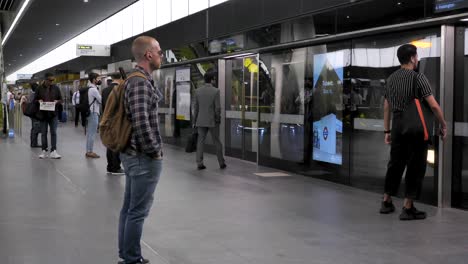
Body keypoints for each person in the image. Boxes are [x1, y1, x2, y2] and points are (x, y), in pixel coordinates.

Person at [380, 44, 447, 220]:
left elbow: (386, 107)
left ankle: (386, 201)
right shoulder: (418, 78)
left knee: (395, 164)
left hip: (397, 126)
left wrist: (387, 129)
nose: (417, 59)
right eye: (416, 56)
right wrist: (443, 124)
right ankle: (408, 207)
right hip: (415, 127)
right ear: (411, 58)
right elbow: (433, 105)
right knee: (416, 166)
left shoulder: (391, 79)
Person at [118, 36, 164, 264]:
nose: (161, 55)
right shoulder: (138, 82)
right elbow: (141, 121)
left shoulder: (141, 80)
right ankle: (131, 259)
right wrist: (154, 150)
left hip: (134, 155)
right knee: (137, 212)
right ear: (148, 54)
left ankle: (127, 256)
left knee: (129, 209)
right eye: (159, 51)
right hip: (142, 157)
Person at [193, 69, 226, 170]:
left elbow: (196, 108)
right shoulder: (216, 91)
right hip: (212, 121)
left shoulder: (197, 91)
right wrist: (218, 118)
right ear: (211, 80)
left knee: (200, 141)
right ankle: (221, 163)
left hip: (200, 120)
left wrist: (194, 121)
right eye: (214, 79)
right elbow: (218, 108)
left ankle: (199, 163)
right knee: (216, 141)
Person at [36, 73, 62, 159]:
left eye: (52, 80)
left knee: (53, 132)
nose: (51, 82)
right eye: (50, 80)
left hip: (53, 114)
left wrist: (57, 101)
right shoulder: (39, 88)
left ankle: (53, 151)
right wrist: (38, 101)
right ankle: (44, 150)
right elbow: (34, 100)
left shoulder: (56, 88)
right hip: (43, 114)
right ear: (45, 79)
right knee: (44, 133)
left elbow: (61, 99)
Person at [101, 72, 124, 174]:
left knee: (109, 144)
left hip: (107, 120)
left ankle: (110, 166)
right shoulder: (120, 89)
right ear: (120, 79)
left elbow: (103, 105)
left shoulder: (105, 90)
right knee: (116, 144)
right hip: (117, 121)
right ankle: (116, 167)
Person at [85, 72, 102, 159]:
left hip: (90, 112)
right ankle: (90, 151)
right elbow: (101, 100)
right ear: (94, 80)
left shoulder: (89, 88)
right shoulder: (94, 90)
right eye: (98, 78)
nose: (100, 80)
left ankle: (88, 150)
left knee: (89, 133)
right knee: (92, 133)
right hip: (93, 112)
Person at [28, 83, 41, 148]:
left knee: (34, 128)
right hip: (35, 114)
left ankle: (34, 143)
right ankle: (34, 144)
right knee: (35, 128)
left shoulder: (31, 94)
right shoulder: (35, 95)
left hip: (32, 113)